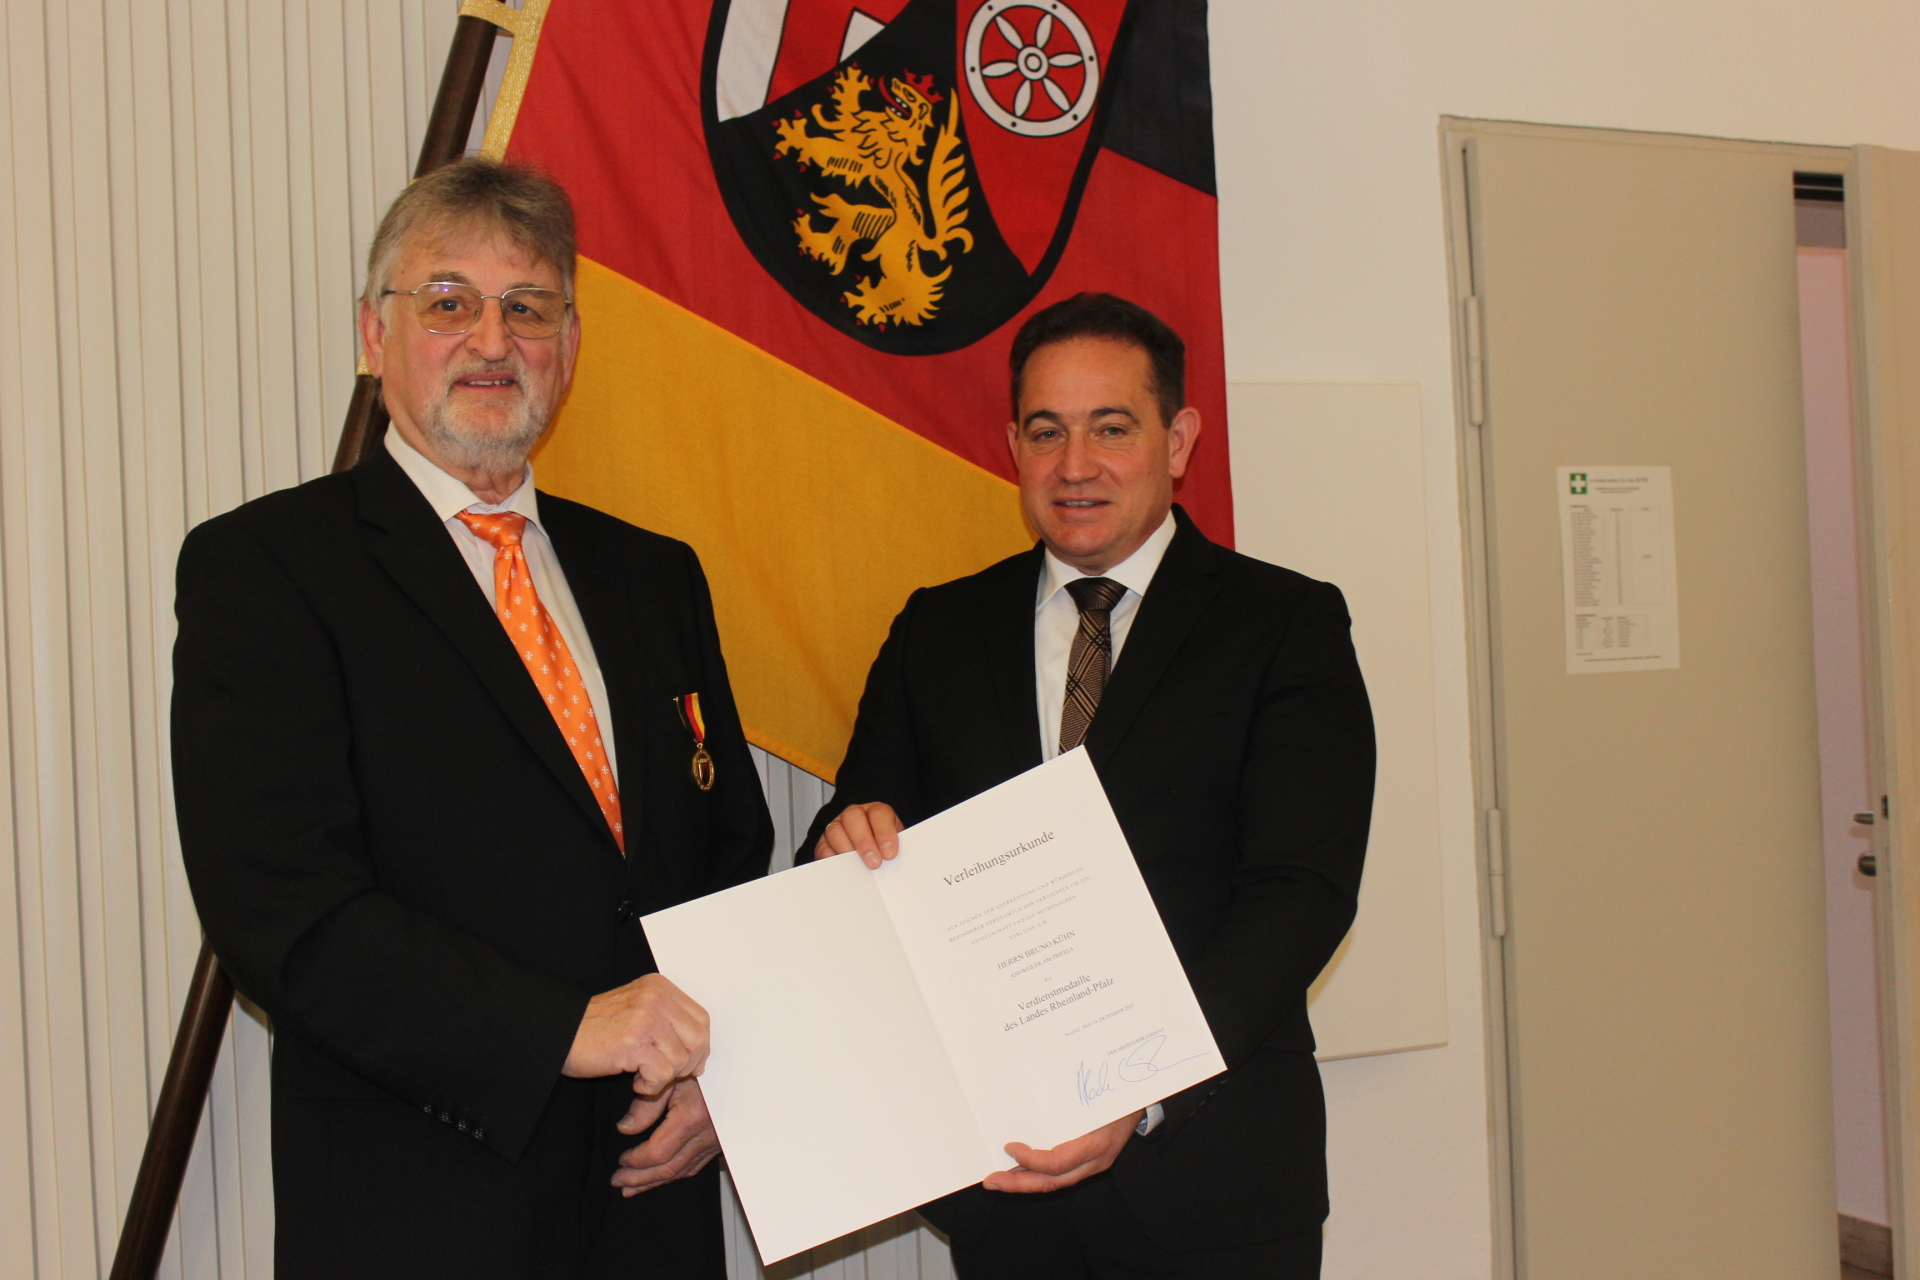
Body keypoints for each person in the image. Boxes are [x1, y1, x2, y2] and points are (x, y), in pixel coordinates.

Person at [172, 158, 772, 1279]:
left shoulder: (654, 577)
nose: (492, 341)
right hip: (421, 1206)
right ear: (373, 336)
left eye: (527, 306)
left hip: (653, 1198)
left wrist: (718, 1078)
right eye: (447, 302)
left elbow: (731, 846)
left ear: (572, 344)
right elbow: (282, 908)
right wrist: (562, 1029)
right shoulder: (268, 569)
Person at [807, 293, 1375, 1278]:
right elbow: (862, 815)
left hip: (1214, 1184)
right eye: (1047, 430)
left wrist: (1138, 1087)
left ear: (1179, 437)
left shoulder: (1285, 625)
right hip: (1006, 1193)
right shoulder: (937, 630)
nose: (1077, 465)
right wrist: (840, 832)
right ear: (1013, 446)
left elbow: (1300, 893)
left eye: (1112, 427)